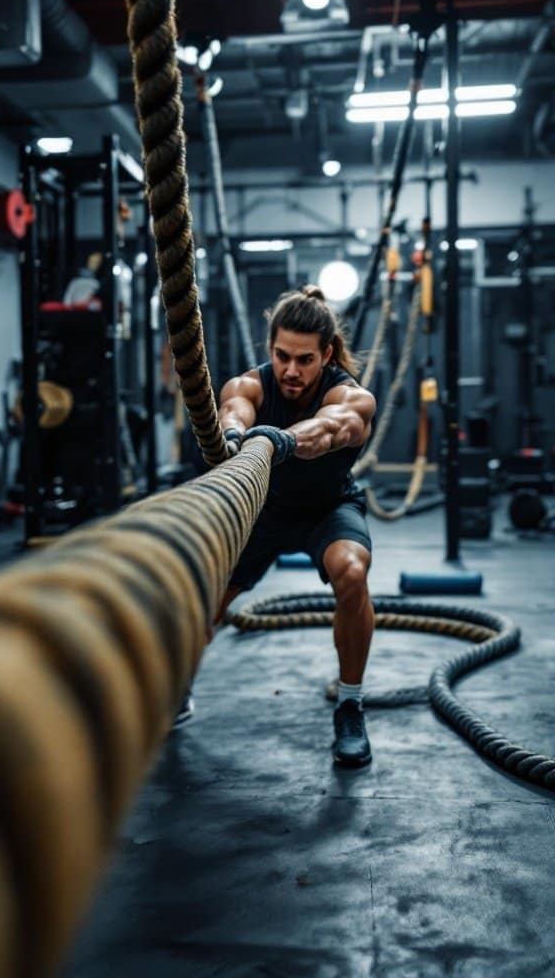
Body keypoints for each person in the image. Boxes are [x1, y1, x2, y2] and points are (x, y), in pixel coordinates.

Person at [177, 285, 377, 767]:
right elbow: (234, 411)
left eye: (305, 360)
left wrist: (278, 442)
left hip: (327, 509)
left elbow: (331, 428)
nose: (291, 370)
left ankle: (350, 704)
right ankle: (176, 690)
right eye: (282, 356)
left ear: (326, 354)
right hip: (258, 513)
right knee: (199, 599)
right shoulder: (249, 386)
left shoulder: (350, 396)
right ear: (270, 348)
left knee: (351, 571)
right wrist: (232, 436)